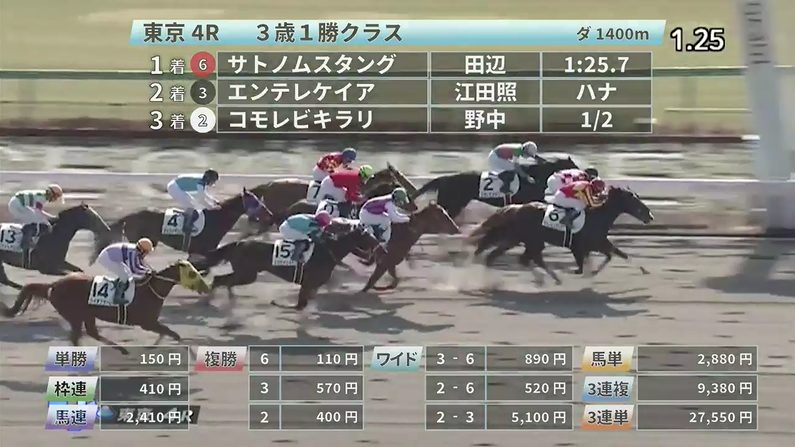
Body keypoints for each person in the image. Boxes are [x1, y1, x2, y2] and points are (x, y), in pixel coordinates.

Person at [166, 169, 220, 249]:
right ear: (209, 179)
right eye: (213, 181)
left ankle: (187, 220)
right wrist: (211, 207)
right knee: (191, 206)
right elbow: (201, 199)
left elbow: (204, 194)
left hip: (176, 185)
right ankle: (186, 227)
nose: (213, 183)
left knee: (192, 204)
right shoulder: (200, 183)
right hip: (174, 188)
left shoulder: (203, 180)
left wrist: (214, 201)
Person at [7, 184, 64, 254]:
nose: (55, 199)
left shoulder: (42, 196)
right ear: (52, 194)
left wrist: (50, 218)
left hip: (17, 203)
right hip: (16, 205)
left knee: (35, 218)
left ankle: (29, 239)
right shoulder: (42, 198)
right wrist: (49, 220)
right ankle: (25, 242)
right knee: (34, 220)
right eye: (56, 196)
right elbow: (38, 212)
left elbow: (38, 211)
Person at [95, 238, 154, 304]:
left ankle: (118, 284)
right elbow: (134, 269)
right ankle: (116, 298)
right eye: (146, 252)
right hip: (106, 258)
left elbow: (139, 264)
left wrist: (148, 270)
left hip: (110, 256)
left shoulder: (136, 250)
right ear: (142, 250)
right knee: (124, 276)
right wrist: (147, 272)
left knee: (125, 273)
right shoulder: (132, 252)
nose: (146, 254)